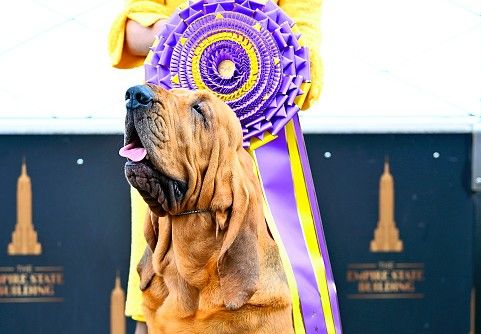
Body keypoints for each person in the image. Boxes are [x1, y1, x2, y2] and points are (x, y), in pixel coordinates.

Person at [108, 1, 322, 332]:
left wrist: (253, 41)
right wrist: (192, 34)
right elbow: (130, 33)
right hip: (170, 153)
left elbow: (308, 61)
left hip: (258, 161)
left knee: (259, 294)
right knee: (156, 292)